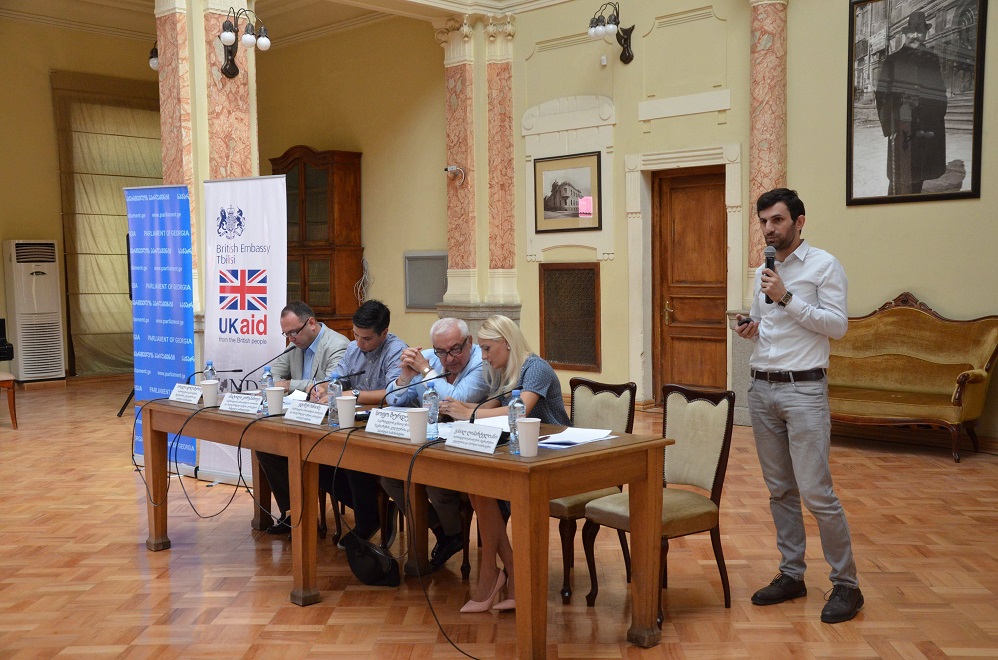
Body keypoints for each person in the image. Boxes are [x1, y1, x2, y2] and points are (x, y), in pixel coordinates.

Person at [735, 188, 863, 624]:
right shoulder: (763, 271)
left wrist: (788, 297)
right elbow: (767, 323)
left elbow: (838, 326)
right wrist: (750, 327)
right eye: (763, 221)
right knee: (780, 491)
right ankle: (792, 575)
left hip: (804, 391)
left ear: (799, 221)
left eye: (777, 220)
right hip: (762, 389)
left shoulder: (824, 265)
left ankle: (847, 584)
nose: (768, 229)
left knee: (816, 493)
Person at [441, 315, 571, 612]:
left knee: (483, 486)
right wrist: (456, 408)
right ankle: (509, 572)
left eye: (488, 349)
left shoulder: (536, 368)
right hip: (521, 453)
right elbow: (486, 408)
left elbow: (519, 410)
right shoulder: (504, 371)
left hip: (553, 455)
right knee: (477, 486)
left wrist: (468, 414)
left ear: (507, 343)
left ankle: (500, 575)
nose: (484, 357)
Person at [379, 318, 490, 573]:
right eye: (441, 351)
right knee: (389, 477)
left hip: (466, 447)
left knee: (435, 484)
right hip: (428, 443)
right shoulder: (428, 358)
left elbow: (455, 399)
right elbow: (393, 400)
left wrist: (426, 370)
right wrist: (405, 377)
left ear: (469, 342)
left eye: (455, 349)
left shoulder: (481, 362)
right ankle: (443, 531)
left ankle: (452, 532)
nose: (448, 359)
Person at [317, 299, 407, 548]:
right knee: (319, 462)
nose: (359, 343)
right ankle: (377, 512)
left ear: (384, 333)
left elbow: (392, 394)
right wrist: (325, 388)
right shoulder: (353, 348)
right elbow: (338, 379)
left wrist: (354, 394)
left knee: (353, 461)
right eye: (355, 335)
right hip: (354, 425)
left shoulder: (396, 351)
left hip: (385, 428)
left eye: (366, 338)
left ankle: (368, 521)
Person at [255, 301, 350, 534]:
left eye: (294, 332)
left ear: (311, 323)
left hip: (326, 423)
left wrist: (288, 384)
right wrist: (286, 384)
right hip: (297, 418)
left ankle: (305, 515)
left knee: (306, 454)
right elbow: (271, 376)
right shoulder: (294, 346)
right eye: (286, 334)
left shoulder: (337, 344)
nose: (290, 338)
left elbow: (330, 383)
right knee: (266, 447)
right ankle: (294, 513)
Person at [875, 10, 947, 195]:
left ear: (925, 34)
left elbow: (939, 92)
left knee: (918, 177)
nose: (916, 36)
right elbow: (882, 95)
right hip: (902, 128)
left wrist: (935, 121)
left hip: (925, 128)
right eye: (912, 32)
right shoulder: (892, 60)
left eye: (920, 32)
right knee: (899, 180)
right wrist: (889, 126)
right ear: (905, 34)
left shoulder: (932, 59)